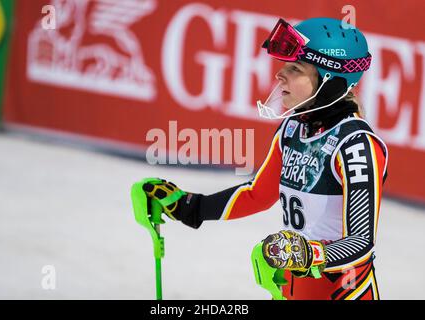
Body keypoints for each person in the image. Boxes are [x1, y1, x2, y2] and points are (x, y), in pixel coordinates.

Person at [141, 17, 388, 300]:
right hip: (292, 288)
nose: (279, 75)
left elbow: (360, 243)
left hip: (343, 293)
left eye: (295, 68)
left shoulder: (356, 144)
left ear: (329, 80)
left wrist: (309, 253)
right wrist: (189, 206)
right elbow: (258, 193)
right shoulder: (293, 128)